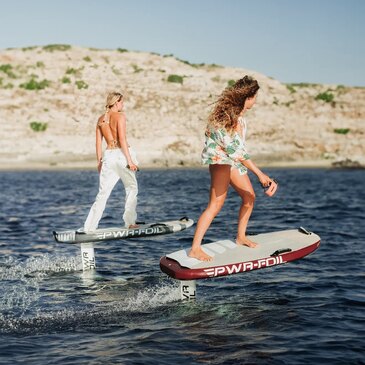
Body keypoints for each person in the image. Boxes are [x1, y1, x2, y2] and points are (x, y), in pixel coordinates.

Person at [189, 76, 273, 261]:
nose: (256, 100)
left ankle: (241, 237)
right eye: (255, 96)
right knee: (216, 204)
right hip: (221, 161)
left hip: (234, 160)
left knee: (249, 196)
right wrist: (260, 174)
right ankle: (195, 248)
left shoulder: (239, 118)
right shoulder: (228, 118)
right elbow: (236, 151)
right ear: (248, 97)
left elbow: (239, 150)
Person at [82, 91, 139, 232]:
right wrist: (130, 161)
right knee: (131, 188)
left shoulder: (100, 119)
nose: (123, 104)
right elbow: (122, 140)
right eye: (121, 102)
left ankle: (89, 227)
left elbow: (97, 143)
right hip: (121, 155)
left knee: (102, 194)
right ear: (116, 102)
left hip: (108, 156)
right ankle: (130, 222)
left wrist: (99, 161)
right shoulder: (120, 117)